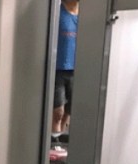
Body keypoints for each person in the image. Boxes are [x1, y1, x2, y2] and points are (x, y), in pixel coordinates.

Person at [52, 0, 79, 152]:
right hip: (58, 69)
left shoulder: (86, 16)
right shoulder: (57, 13)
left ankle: (59, 142)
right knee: (58, 112)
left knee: (69, 110)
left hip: (76, 70)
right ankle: (54, 143)